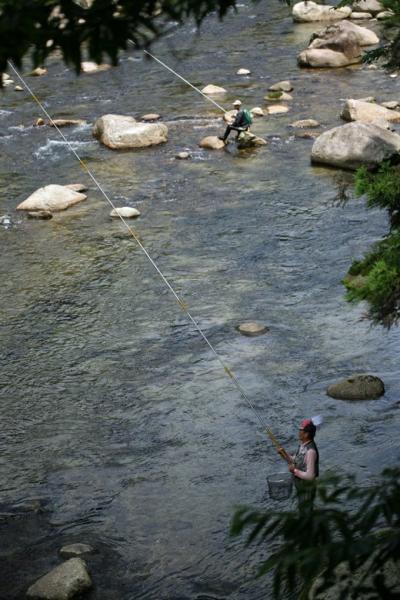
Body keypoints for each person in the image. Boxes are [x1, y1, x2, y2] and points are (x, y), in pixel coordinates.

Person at [278, 418, 319, 506]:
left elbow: (310, 476)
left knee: (306, 513)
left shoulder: (310, 451)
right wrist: (284, 454)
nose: (299, 432)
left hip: (307, 489)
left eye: (300, 430)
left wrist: (294, 471)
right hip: (301, 486)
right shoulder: (303, 446)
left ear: (306, 434)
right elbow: (295, 460)